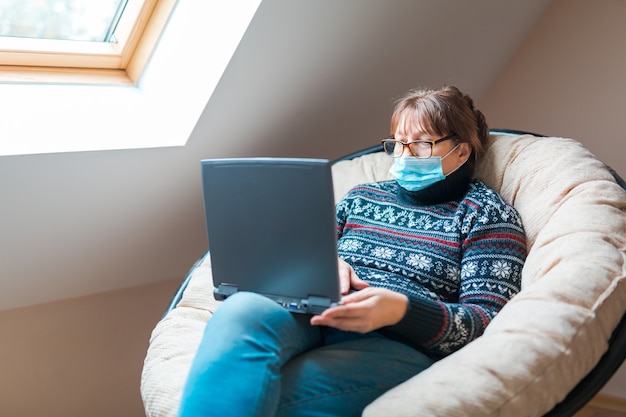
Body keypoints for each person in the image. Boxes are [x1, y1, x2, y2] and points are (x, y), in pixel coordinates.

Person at [178, 85, 527, 417]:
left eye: (421, 145)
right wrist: (330, 264)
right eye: (398, 144)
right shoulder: (363, 196)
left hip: (396, 341)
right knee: (241, 311)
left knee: (265, 399)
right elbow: (302, 252)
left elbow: (486, 322)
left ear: (461, 150)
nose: (404, 156)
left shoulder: (486, 215)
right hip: (313, 312)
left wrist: (402, 311)